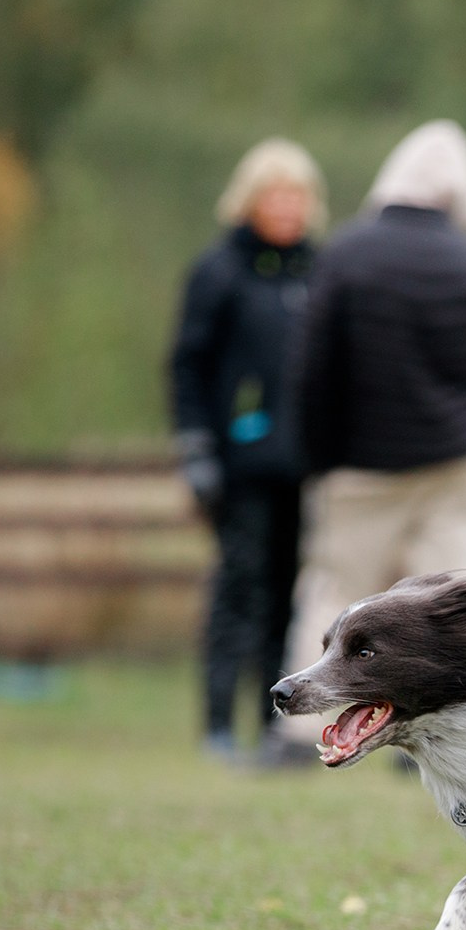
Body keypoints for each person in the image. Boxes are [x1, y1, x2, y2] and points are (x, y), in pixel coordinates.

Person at [271, 119, 466, 755]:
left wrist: (319, 457)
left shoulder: (346, 256)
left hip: (360, 465)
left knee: (338, 595)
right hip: (457, 463)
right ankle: (457, 732)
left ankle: (304, 736)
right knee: (453, 608)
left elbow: (313, 374)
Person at [168, 137, 325, 762]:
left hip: (304, 466)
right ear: (250, 200)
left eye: (298, 196)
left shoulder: (319, 271)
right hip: (239, 465)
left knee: (290, 594)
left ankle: (273, 724)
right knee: (240, 587)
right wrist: (196, 448)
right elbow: (187, 366)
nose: (287, 207)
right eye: (275, 195)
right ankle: (217, 724)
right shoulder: (219, 272)